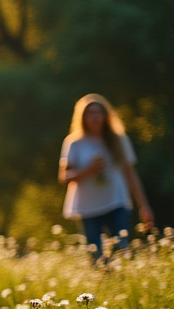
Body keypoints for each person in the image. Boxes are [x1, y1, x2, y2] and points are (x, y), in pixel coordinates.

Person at [59, 94, 155, 263]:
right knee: (96, 257)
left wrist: (143, 206)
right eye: (89, 114)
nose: (94, 117)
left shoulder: (118, 140)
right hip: (87, 207)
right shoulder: (74, 143)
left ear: (105, 115)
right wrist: (89, 170)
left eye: (97, 113)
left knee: (122, 251)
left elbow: (131, 174)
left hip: (116, 202)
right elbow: (64, 177)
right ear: (82, 117)